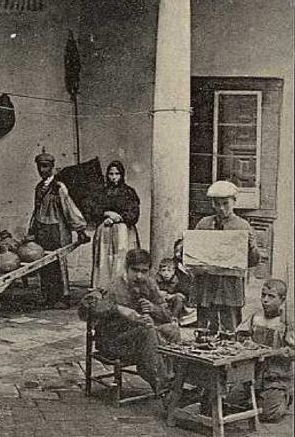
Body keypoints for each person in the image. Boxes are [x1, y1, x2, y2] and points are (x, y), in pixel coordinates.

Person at [88, 248, 180, 395]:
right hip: (113, 342)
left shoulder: (150, 284)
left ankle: (174, 380)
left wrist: (153, 309)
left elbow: (167, 315)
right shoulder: (114, 286)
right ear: (127, 267)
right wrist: (118, 309)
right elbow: (87, 306)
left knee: (172, 330)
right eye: (135, 270)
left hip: (139, 339)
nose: (139, 276)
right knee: (147, 330)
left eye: (144, 271)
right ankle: (164, 387)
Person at [193, 180, 260, 333]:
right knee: (206, 316)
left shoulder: (243, 226)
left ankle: (229, 339)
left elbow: (253, 261)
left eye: (225, 203)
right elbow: (194, 250)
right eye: (217, 204)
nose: (221, 208)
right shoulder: (204, 223)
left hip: (230, 281)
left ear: (234, 202)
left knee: (229, 317)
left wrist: (252, 247)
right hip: (207, 279)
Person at [29, 150, 88, 309]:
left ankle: (63, 297)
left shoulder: (59, 187)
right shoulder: (39, 187)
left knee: (59, 264)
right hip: (42, 230)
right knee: (44, 264)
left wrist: (80, 230)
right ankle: (48, 296)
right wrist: (32, 230)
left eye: (45, 166)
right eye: (39, 167)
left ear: (52, 167)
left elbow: (69, 208)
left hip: (57, 229)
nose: (42, 170)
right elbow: (36, 211)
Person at [232, 278, 294, 422]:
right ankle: (256, 400)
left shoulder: (287, 323)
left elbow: (292, 351)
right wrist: (245, 343)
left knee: (270, 414)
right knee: (229, 404)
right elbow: (240, 336)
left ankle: (285, 396)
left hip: (275, 379)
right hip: (251, 376)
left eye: (271, 296)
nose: (265, 300)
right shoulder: (256, 316)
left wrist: (280, 352)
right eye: (263, 295)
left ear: (282, 300)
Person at [91, 160, 140, 289]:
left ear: (122, 175)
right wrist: (106, 214)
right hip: (105, 231)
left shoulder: (129, 192)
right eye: (111, 174)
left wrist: (118, 218)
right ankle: (103, 287)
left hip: (124, 231)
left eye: (117, 174)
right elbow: (94, 210)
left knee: (121, 258)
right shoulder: (102, 192)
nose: (114, 177)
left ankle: (122, 287)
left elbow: (134, 213)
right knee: (104, 259)